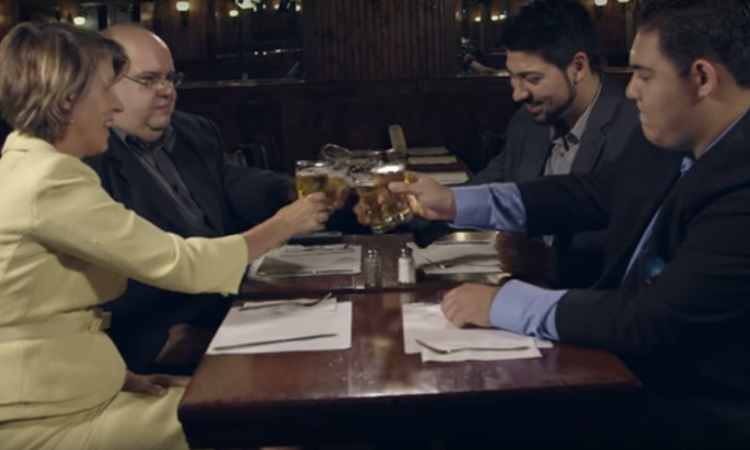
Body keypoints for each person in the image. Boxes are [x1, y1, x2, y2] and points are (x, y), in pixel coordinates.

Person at [389, 0, 750, 446]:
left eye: (644, 74)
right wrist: (453, 203)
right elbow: (586, 194)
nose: (632, 90)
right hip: (624, 370)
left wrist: (503, 304)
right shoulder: (668, 140)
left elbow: (653, 321)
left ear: (701, 78)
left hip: (691, 410)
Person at [0, 22, 329, 450]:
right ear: (68, 102)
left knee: (266, 405)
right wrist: (283, 225)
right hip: (46, 419)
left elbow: (36, 312)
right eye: (106, 89)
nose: (114, 106)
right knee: (274, 414)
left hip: (75, 392)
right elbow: (178, 263)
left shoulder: (23, 163)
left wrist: (116, 376)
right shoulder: (49, 178)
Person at [83, 25, 349, 374]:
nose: (166, 90)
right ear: (107, 83)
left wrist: (288, 190)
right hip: (164, 331)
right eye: (149, 79)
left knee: (343, 334)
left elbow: (232, 184)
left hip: (234, 298)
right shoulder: (88, 157)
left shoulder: (193, 130)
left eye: (171, 77)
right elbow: (108, 277)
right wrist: (152, 346)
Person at [403, 0, 640, 288]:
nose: (517, 94)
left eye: (531, 79)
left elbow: (634, 264)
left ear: (577, 67)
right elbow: (486, 192)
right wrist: (394, 210)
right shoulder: (528, 123)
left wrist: (548, 265)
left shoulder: (635, 131)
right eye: (513, 77)